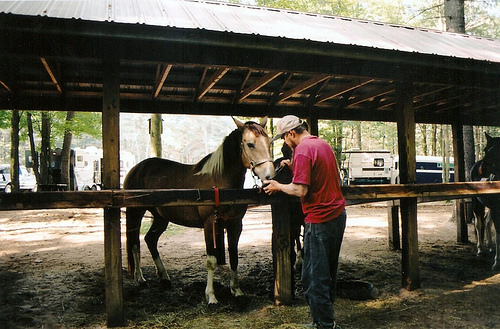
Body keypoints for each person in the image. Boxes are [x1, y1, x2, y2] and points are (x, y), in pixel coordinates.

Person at [264, 115, 346, 329]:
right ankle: (324, 319)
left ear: (291, 133)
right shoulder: (322, 144)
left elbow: (300, 189)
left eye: (284, 137)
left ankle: (325, 325)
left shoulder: (301, 149)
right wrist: (294, 169)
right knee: (327, 272)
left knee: (313, 278)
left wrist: (277, 186)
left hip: (319, 220)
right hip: (337, 215)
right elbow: (321, 176)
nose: (284, 142)